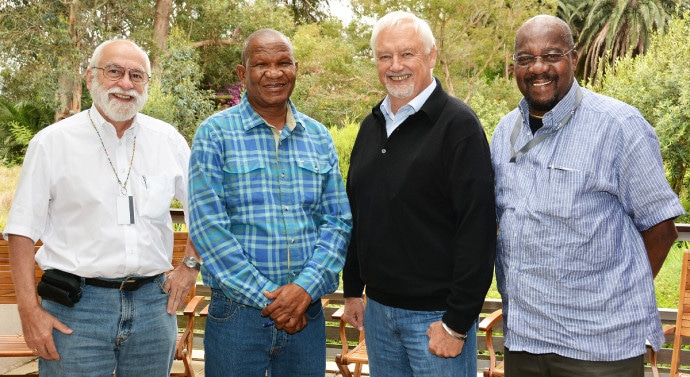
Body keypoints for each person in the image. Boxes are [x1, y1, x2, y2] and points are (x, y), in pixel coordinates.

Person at [490, 15, 685, 376]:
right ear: (514, 66)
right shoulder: (504, 133)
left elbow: (661, 230)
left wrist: (613, 301)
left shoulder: (620, 126)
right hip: (523, 342)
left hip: (598, 349)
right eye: (525, 58)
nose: (538, 68)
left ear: (574, 59)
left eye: (551, 55)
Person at [3, 39, 200, 377]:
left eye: (137, 75)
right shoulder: (52, 143)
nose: (126, 84)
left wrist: (190, 266)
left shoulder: (168, 141)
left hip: (154, 306)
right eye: (114, 71)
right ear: (90, 77)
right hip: (76, 309)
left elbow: (203, 208)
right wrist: (29, 310)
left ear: (147, 84)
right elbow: (21, 232)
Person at [187, 28, 352, 377]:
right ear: (242, 72)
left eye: (283, 63)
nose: (274, 73)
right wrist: (274, 302)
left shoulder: (319, 136)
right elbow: (208, 228)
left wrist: (304, 289)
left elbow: (337, 221)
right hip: (237, 316)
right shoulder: (215, 133)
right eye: (261, 64)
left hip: (306, 314)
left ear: (296, 67)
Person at [341, 11, 496, 377]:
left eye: (407, 54)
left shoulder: (458, 126)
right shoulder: (370, 126)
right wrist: (352, 289)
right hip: (378, 313)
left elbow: (478, 231)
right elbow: (358, 214)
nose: (395, 66)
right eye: (384, 56)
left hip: (436, 319)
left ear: (431, 56)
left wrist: (457, 323)